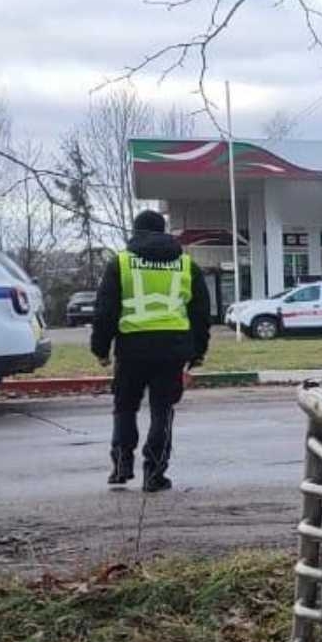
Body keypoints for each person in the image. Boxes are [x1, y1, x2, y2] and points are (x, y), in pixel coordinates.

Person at [90, 210, 211, 492]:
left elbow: (105, 311)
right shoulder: (185, 265)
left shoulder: (120, 263)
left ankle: (121, 466)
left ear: (136, 231)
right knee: (162, 410)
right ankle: (154, 473)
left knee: (124, 407)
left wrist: (100, 349)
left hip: (132, 347)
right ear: (164, 231)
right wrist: (198, 351)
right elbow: (201, 312)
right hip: (173, 349)